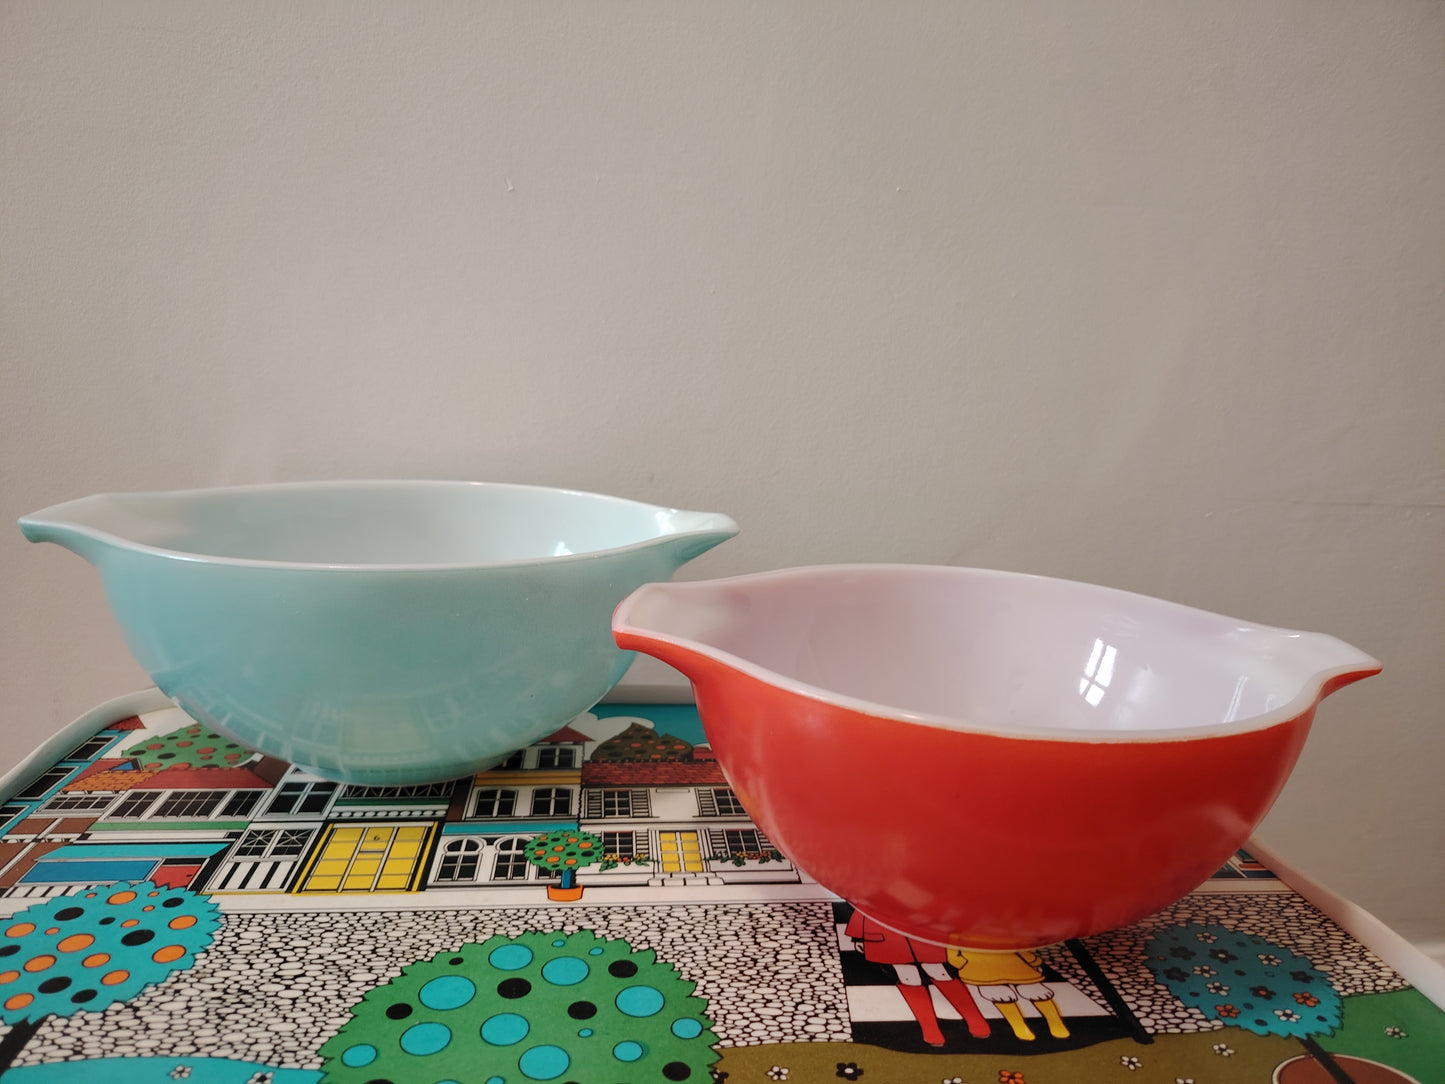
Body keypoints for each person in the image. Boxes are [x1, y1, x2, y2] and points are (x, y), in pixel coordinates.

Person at [845, 911, 990, 1044]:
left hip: (920, 923)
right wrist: (858, 934)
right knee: (908, 976)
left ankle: (975, 1020)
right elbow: (864, 900)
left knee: (940, 971)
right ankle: (930, 1028)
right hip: (883, 929)